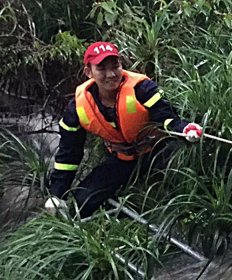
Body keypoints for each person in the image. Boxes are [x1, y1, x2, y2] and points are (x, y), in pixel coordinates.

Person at [46, 41, 203, 217]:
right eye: (101, 69)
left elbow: (167, 117)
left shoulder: (142, 88)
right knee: (82, 203)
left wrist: (186, 129)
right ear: (88, 72)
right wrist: (57, 194)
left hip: (158, 151)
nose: (111, 74)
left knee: (186, 187)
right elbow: (69, 152)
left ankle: (191, 216)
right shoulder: (77, 107)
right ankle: (122, 220)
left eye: (115, 66)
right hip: (121, 159)